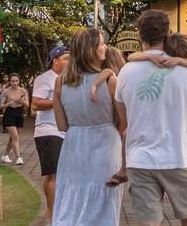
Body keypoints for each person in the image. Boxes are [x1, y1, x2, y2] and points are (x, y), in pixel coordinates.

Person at [114, 10, 187, 226]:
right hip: (179, 156)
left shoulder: (126, 72)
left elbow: (123, 120)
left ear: (140, 36)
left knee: (148, 221)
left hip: (140, 158)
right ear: (168, 33)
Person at [51, 28, 126, 225]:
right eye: (101, 43)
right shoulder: (110, 81)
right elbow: (124, 122)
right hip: (107, 143)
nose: (105, 47)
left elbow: (61, 124)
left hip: (74, 144)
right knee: (104, 202)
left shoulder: (60, 82)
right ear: (91, 49)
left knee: (71, 198)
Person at [122, 32, 187, 186]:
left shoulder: (185, 63)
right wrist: (150, 57)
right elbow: (132, 57)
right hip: (179, 111)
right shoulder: (169, 61)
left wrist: (179, 61)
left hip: (181, 108)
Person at [32, 45, 69, 219]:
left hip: (63, 131)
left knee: (51, 173)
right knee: (54, 174)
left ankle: (50, 211)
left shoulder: (67, 79)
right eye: (66, 59)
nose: (70, 62)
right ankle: (53, 214)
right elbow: (36, 103)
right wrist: (59, 100)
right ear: (55, 61)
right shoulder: (45, 79)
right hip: (48, 130)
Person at [0, 73, 29, 164]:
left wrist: (21, 101)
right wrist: (9, 103)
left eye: (16, 81)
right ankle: (18, 158)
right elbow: (1, 106)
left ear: (19, 81)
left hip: (19, 113)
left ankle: (5, 155)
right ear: (9, 81)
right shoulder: (6, 91)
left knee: (12, 138)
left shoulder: (23, 91)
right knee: (15, 136)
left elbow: (27, 105)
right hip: (9, 113)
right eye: (12, 81)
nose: (15, 83)